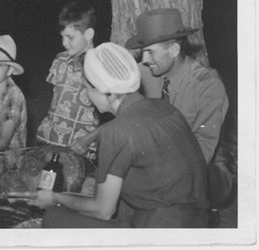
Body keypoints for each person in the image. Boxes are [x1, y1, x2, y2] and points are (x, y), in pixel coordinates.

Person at [28, 42, 208, 228]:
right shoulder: (163, 107)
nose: (88, 97)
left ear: (106, 91)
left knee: (54, 216)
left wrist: (55, 198)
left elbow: (103, 211)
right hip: (198, 222)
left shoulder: (115, 132)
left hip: (162, 230)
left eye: (87, 89)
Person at [125, 7, 232, 224]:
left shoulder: (206, 84)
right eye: (142, 51)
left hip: (204, 170)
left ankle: (200, 216)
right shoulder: (147, 72)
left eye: (150, 52)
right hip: (159, 164)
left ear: (173, 49)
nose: (144, 59)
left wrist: (158, 177)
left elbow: (203, 149)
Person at [36, 2, 100, 160]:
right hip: (50, 140)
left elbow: (113, 117)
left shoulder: (101, 66)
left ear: (88, 33)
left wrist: (88, 139)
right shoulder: (60, 60)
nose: (64, 43)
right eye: (62, 37)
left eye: (70, 37)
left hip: (81, 147)